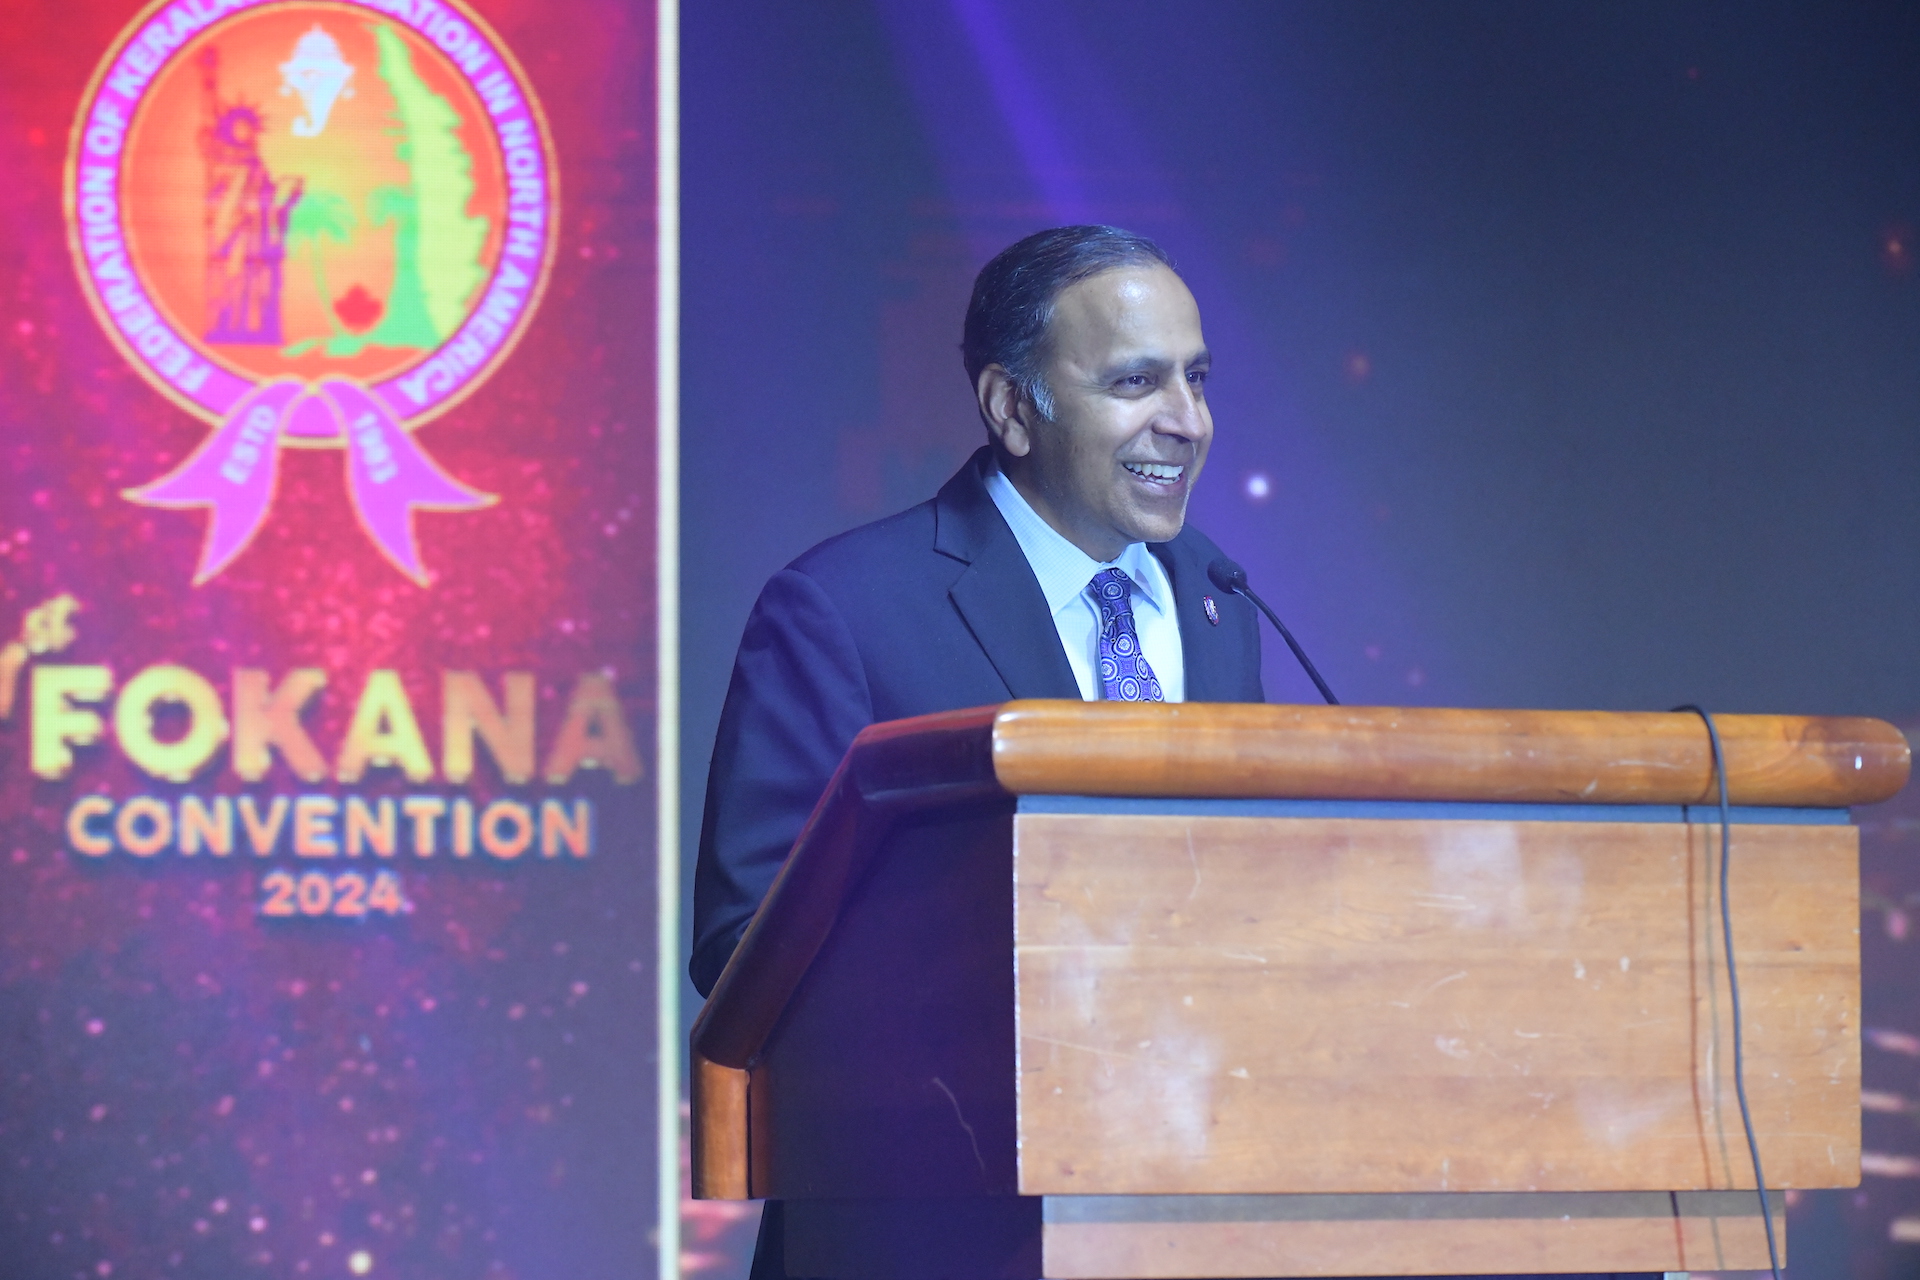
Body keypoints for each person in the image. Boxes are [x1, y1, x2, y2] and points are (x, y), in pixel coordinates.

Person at [691, 224, 1263, 998]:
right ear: (1012, 408)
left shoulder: (1216, 594)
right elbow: (747, 941)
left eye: (1195, 378)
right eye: (1135, 383)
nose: (1189, 421)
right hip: (968, 1107)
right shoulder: (842, 614)